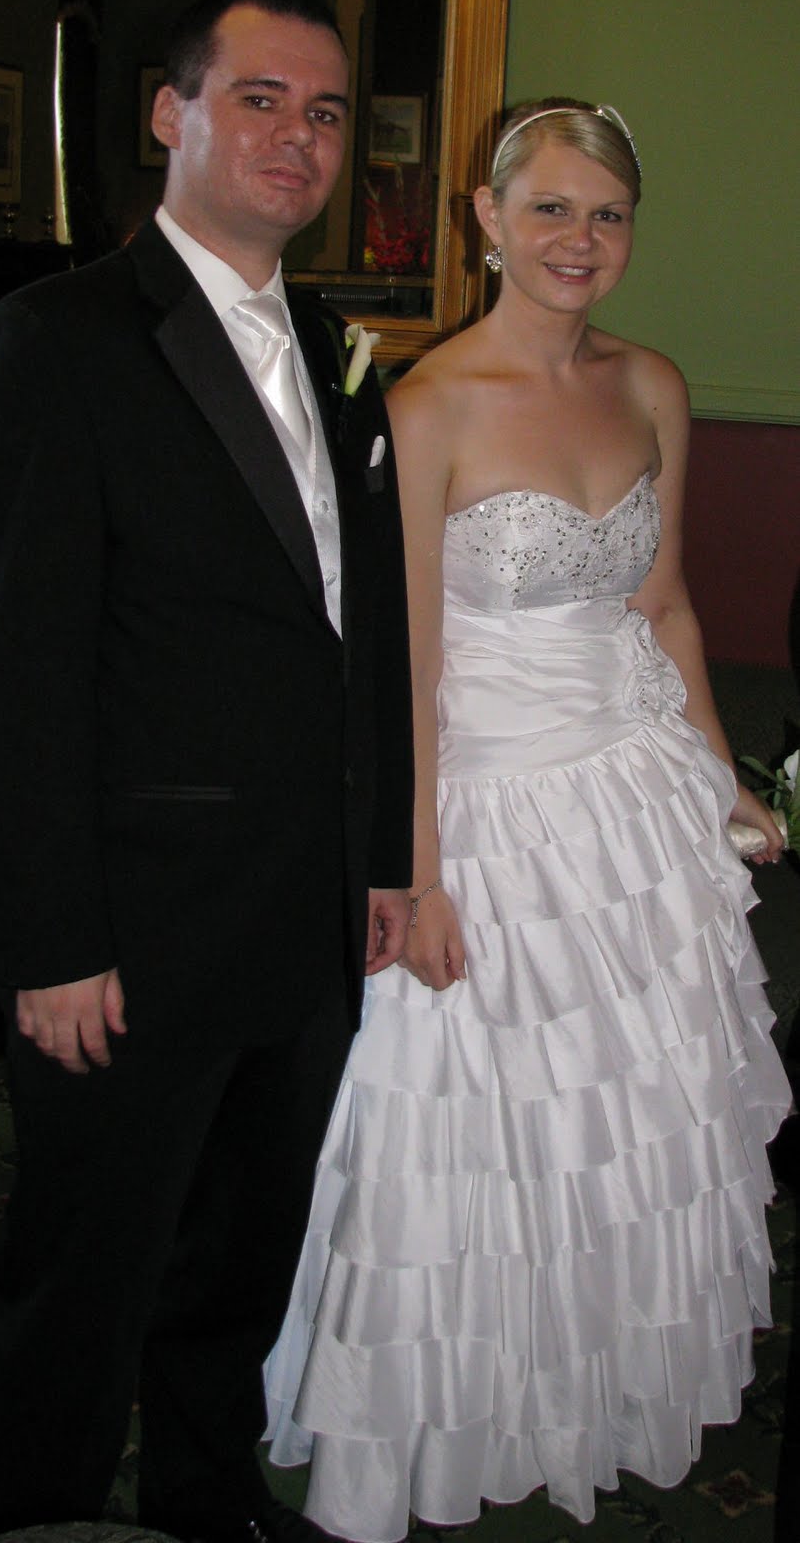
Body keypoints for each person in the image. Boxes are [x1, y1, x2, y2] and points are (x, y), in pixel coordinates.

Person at [264, 100, 792, 1540]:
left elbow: (664, 603)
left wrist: (722, 776)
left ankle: (609, 1383)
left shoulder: (654, 384)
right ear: (486, 220)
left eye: (607, 215)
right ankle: (453, 1420)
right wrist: (418, 875)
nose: (580, 239)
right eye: (550, 208)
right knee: (478, 1130)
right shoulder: (425, 405)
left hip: (637, 798)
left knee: (641, 1117)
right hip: (486, 806)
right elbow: (409, 668)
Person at [0, 0, 413, 1543]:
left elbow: (366, 638)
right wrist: (52, 942)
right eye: (260, 99)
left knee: (239, 1263)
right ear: (171, 113)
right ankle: (29, 1518)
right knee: (81, 1279)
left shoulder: (342, 353)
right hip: (133, 929)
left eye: (326, 112)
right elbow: (15, 675)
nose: (299, 136)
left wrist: (382, 859)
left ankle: (209, 1500)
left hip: (301, 912)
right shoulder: (59, 338)